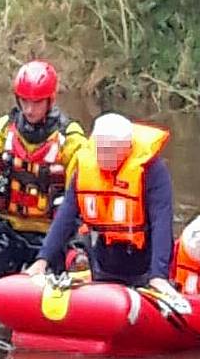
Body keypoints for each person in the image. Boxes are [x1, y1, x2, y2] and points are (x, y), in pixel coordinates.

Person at [0, 60, 88, 291]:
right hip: (9, 230)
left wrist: (77, 239)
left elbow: (80, 195)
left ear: (50, 100)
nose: (29, 109)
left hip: (52, 234)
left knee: (68, 272)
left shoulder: (72, 140)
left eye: (36, 102)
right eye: (24, 101)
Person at [25, 113, 178, 297]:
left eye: (110, 151)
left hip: (142, 261)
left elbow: (161, 222)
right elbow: (66, 216)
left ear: (127, 148)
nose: (103, 157)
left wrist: (158, 275)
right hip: (105, 259)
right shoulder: (87, 168)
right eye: (100, 150)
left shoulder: (152, 171)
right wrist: (43, 259)